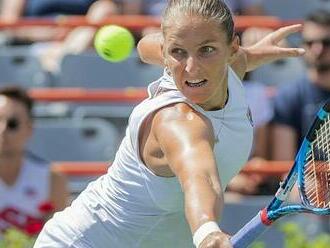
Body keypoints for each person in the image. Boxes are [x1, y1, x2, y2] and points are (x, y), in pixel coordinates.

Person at [34, 1, 304, 247]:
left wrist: (250, 56)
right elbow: (200, 178)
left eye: (207, 50)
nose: (191, 68)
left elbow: (144, 46)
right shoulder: (178, 121)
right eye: (178, 52)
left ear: (232, 48)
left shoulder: (232, 67)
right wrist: (207, 231)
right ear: (165, 53)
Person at [0, 86, 68, 236]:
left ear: (29, 129)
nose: (3, 129)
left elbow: (60, 240)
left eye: (12, 123)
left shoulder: (52, 180)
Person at [271, 9, 330, 161]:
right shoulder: (289, 96)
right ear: (302, 44)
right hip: (308, 184)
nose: (318, 49)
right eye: (311, 43)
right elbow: (284, 166)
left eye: (326, 42)